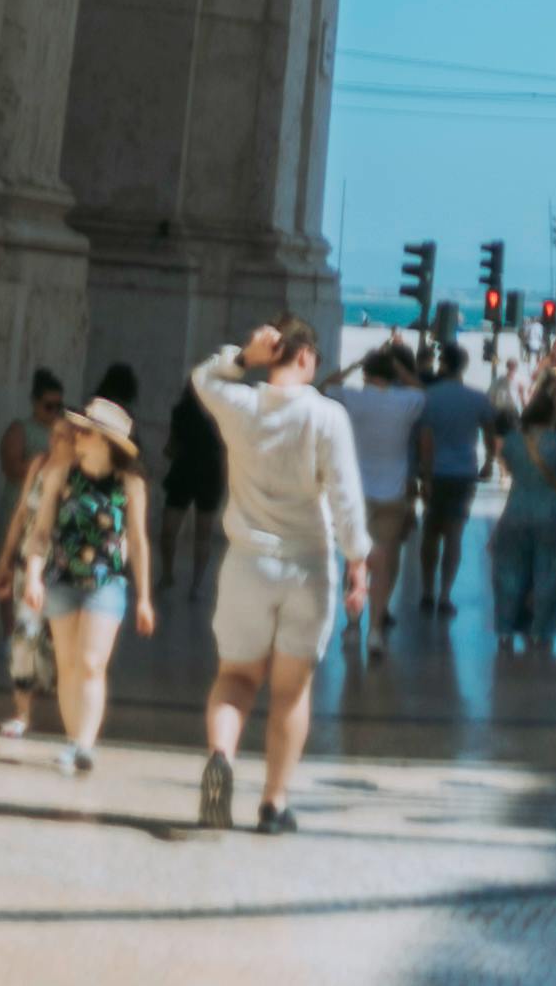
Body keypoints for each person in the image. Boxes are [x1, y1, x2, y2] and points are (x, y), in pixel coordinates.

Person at [194, 319, 368, 833]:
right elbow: (345, 497)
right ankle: (273, 803)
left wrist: (243, 357)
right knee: (291, 692)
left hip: (247, 562)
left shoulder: (241, 406)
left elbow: (204, 379)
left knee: (236, 677)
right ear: (309, 358)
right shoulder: (327, 417)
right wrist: (357, 562)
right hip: (306, 566)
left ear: (273, 354)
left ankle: (222, 754)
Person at [0, 393, 155, 776]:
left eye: (84, 431)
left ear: (104, 441)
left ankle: (85, 744)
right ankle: (73, 741)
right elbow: (42, 530)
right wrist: (33, 574)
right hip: (61, 579)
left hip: (107, 582)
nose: (75, 435)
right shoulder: (60, 473)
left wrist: (145, 597)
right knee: (67, 666)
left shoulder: (129, 483)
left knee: (90, 663)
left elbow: (138, 539)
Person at [0, 367, 70, 738]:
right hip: (28, 550)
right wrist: (4, 560)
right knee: (25, 633)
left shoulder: (77, 472)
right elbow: (16, 488)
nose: (53, 414)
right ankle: (22, 709)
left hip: (65, 567)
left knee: (61, 643)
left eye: (59, 408)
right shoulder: (25, 438)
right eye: (48, 406)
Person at [490, 366, 556, 649]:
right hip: (551, 511)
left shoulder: (512, 442)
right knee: (550, 570)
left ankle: (506, 627)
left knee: (509, 570)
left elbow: (507, 467)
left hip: (516, 509)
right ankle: (541, 629)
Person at [340, 341, 425, 634]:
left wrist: (354, 363)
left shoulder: (352, 398)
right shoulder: (405, 403)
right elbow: (421, 391)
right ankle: (376, 628)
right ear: (393, 375)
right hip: (393, 493)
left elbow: (325, 385)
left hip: (357, 492)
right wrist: (401, 369)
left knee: (354, 556)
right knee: (386, 559)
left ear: (366, 372)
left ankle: (353, 616)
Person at [414, 333, 493, 616]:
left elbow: (425, 438)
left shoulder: (429, 398)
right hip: (464, 473)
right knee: (454, 534)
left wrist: (424, 475)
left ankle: (426, 590)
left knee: (431, 533)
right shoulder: (477, 398)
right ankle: (446, 594)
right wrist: (490, 462)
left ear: (442, 365)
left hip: (436, 472)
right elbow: (490, 430)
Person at [157, 368, 230, 601]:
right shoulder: (181, 411)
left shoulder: (221, 412)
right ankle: (167, 575)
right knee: (168, 531)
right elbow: (172, 443)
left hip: (208, 475)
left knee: (203, 534)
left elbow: (226, 449)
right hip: (183, 472)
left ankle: (196, 584)